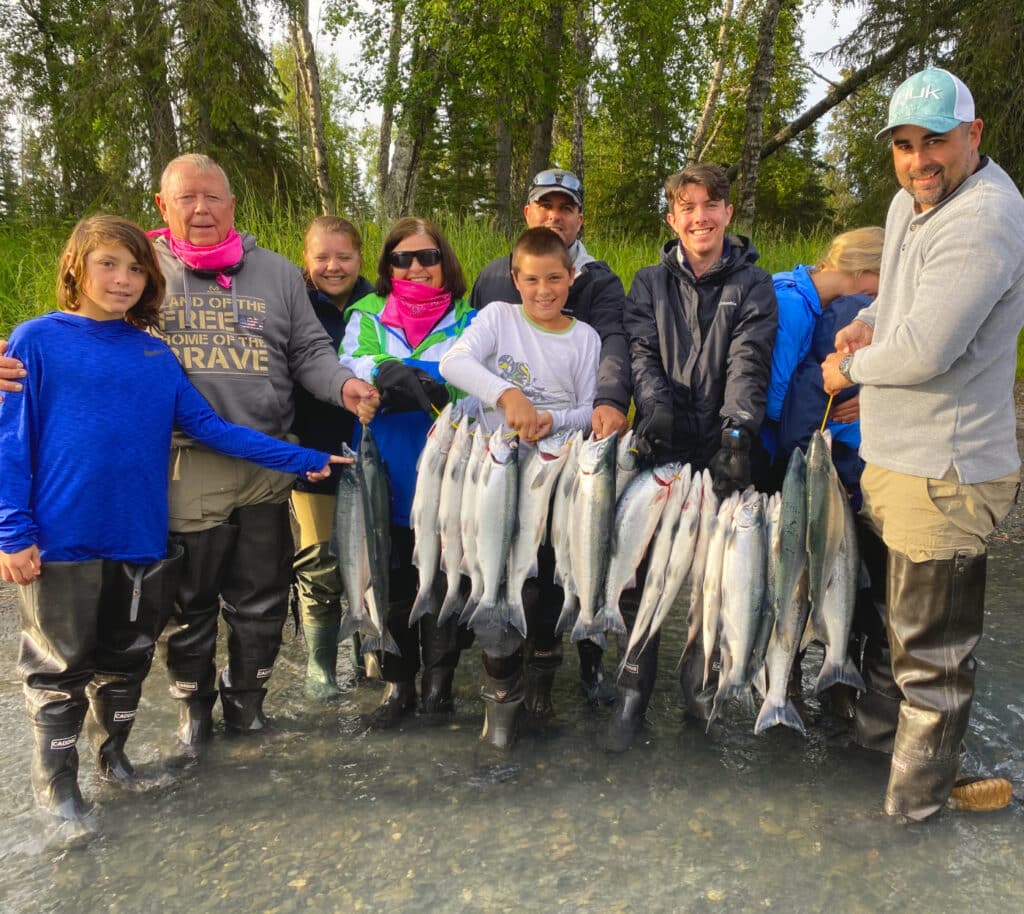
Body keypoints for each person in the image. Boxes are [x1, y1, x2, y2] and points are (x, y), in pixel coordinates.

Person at [0, 215, 346, 838]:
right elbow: (11, 443)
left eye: (136, 269)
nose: (124, 279)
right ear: (76, 267)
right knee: (57, 667)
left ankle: (114, 760)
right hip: (61, 536)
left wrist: (305, 459)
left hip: (140, 534)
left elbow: (213, 430)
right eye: (108, 264)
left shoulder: (155, 355)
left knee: (127, 655)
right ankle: (58, 790)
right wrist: (12, 534)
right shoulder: (35, 342)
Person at [821, 68, 1024, 821]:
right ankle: (871, 759)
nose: (918, 160)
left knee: (932, 663)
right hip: (896, 462)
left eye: (935, 140)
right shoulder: (913, 203)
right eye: (904, 145)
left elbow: (928, 349)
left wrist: (847, 367)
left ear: (974, 135)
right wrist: (869, 318)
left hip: (946, 473)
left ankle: (912, 820)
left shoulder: (987, 218)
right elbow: (906, 301)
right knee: (896, 635)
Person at [613, 162, 777, 751]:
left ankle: (700, 692)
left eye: (711, 205)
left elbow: (749, 360)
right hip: (662, 445)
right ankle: (633, 690)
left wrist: (737, 433)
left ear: (728, 213)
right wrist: (653, 405)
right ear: (672, 218)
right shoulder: (646, 283)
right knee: (640, 576)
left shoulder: (753, 286)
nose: (700, 217)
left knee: (715, 577)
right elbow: (639, 352)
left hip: (721, 450)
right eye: (688, 207)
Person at [471, 167, 630, 708]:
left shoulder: (601, 284)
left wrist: (604, 404)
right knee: (508, 554)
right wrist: (501, 400)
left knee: (573, 552)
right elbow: (468, 359)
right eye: (545, 205)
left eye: (566, 207)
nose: (555, 215)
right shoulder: (495, 283)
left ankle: (579, 660)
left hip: (568, 454)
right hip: (504, 451)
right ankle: (505, 676)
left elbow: (609, 347)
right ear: (529, 213)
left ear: (580, 217)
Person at [441, 226, 601, 750]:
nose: (543, 289)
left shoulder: (585, 339)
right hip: (494, 476)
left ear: (572, 278)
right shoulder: (497, 318)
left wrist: (548, 420)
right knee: (494, 579)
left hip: (555, 482)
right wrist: (508, 395)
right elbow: (453, 362)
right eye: (531, 279)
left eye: (554, 278)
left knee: (545, 586)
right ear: (515, 279)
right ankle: (499, 709)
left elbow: (586, 410)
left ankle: (542, 688)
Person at [339, 216, 474, 728]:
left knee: (442, 578)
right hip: (383, 468)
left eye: (428, 257)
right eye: (403, 258)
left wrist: (439, 382)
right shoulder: (366, 312)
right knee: (390, 579)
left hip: (448, 468)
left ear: (445, 262)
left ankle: (440, 684)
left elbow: (479, 375)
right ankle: (398, 683)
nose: (416, 267)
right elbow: (350, 357)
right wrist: (383, 371)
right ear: (387, 265)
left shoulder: (471, 317)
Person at [290, 216, 377, 700]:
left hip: (371, 456)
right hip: (312, 455)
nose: (333, 266)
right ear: (306, 258)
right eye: (321, 256)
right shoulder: (293, 304)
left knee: (371, 556)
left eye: (343, 256)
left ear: (359, 257)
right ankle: (321, 662)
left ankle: (370, 650)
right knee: (319, 562)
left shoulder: (378, 304)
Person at [757, 227, 883, 492]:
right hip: (777, 451)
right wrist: (854, 410)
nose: (884, 296)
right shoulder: (791, 305)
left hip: (803, 431)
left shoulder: (811, 294)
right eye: (886, 279)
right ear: (865, 269)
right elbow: (777, 404)